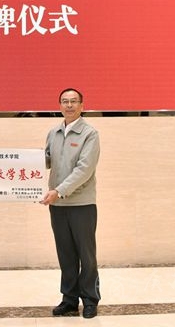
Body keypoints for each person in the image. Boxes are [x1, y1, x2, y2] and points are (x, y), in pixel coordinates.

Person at [40, 88, 101, 319]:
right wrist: (24, 162)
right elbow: (46, 160)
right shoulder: (53, 132)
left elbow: (84, 170)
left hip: (82, 204)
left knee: (86, 255)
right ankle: (69, 300)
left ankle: (90, 299)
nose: (69, 105)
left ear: (82, 106)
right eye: (65, 101)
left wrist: (59, 191)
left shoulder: (90, 134)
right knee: (65, 254)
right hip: (57, 205)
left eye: (74, 101)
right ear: (59, 106)